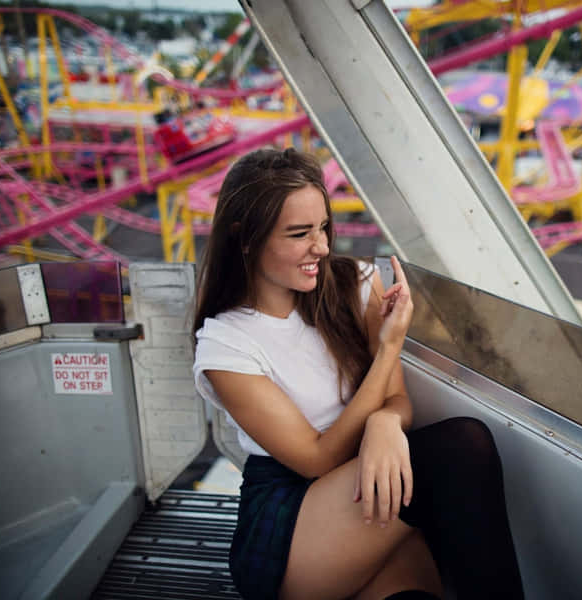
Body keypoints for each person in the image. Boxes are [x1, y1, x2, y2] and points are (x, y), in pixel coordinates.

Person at [192, 148, 524, 600]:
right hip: (293, 522)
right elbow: (316, 459)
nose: (322, 247)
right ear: (244, 237)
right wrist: (389, 347)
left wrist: (386, 423)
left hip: (367, 484)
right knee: (461, 447)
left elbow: (397, 401)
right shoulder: (226, 344)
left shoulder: (356, 284)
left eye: (324, 227)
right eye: (299, 233)